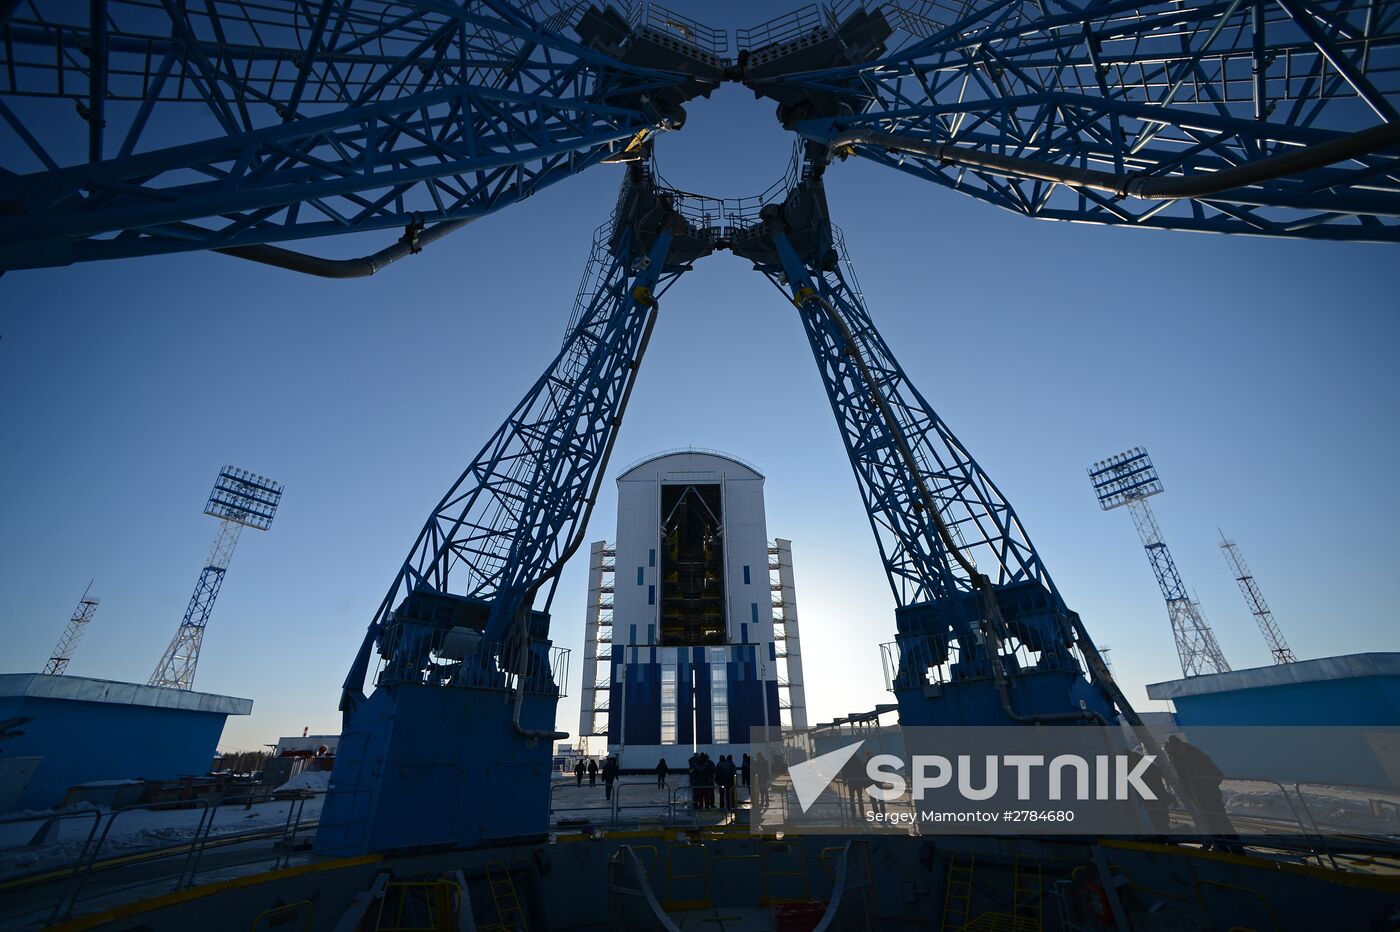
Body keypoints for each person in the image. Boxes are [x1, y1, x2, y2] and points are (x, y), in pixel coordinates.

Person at [1166, 735, 1239, 852]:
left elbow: (1217, 774)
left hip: (1210, 796)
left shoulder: (1196, 755)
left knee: (1222, 823)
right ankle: (1222, 849)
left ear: (1181, 746)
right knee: (1212, 824)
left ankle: (1236, 849)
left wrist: (1204, 786)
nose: (1178, 751)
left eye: (1178, 748)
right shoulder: (1178, 758)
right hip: (1198, 797)